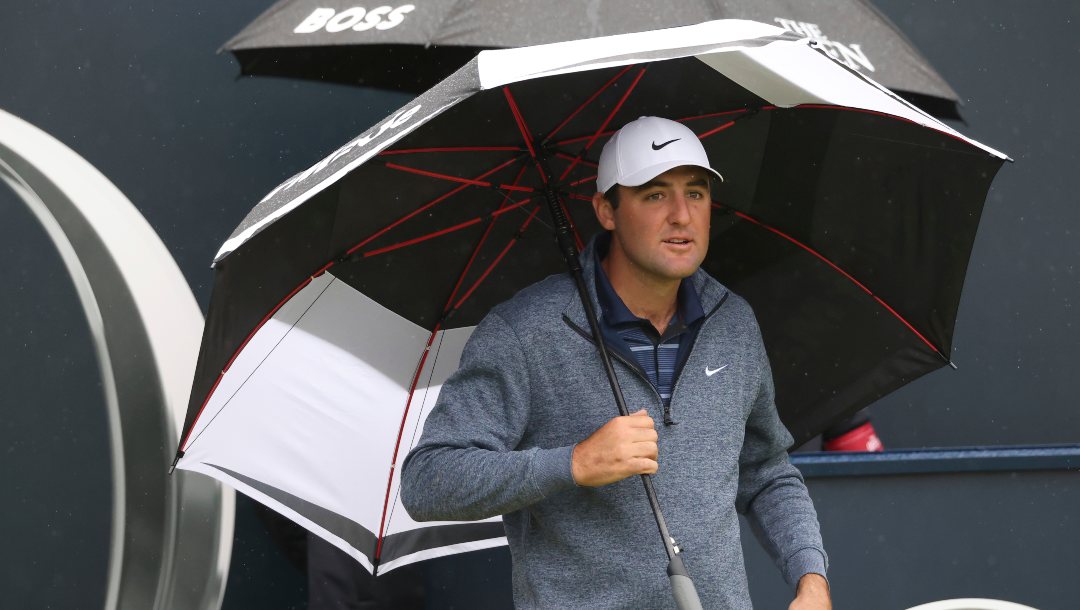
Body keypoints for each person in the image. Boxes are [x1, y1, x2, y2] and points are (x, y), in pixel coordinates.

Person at [401, 116, 830, 609]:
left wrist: (810, 575)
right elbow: (429, 480)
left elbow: (765, 470)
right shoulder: (522, 332)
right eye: (654, 195)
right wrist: (574, 463)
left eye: (695, 193)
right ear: (607, 210)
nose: (681, 216)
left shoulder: (733, 322)